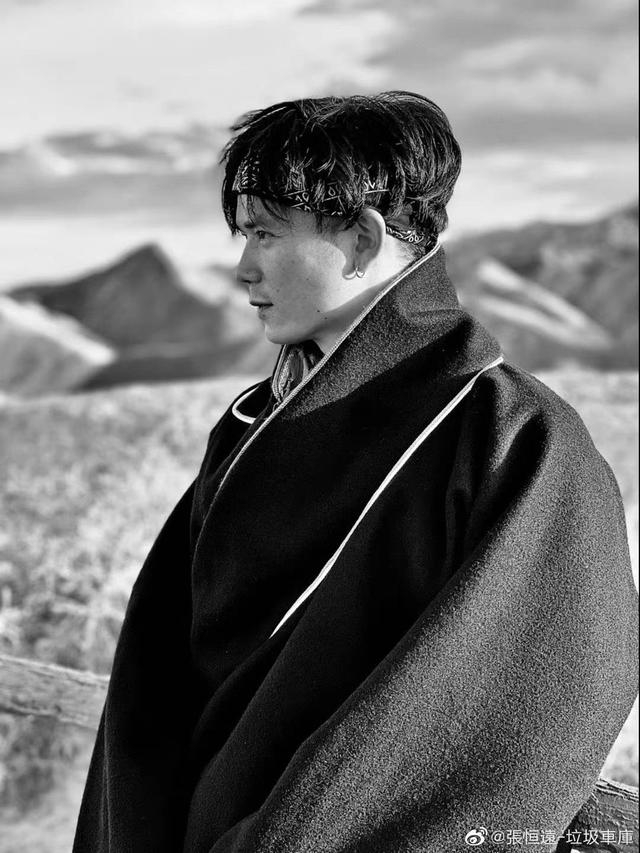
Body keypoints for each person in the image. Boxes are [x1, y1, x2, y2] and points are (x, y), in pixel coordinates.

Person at [73, 92, 638, 853]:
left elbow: (524, 717)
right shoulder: (252, 426)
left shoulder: (518, 444)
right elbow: (151, 692)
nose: (242, 268)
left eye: (265, 234)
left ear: (363, 239)